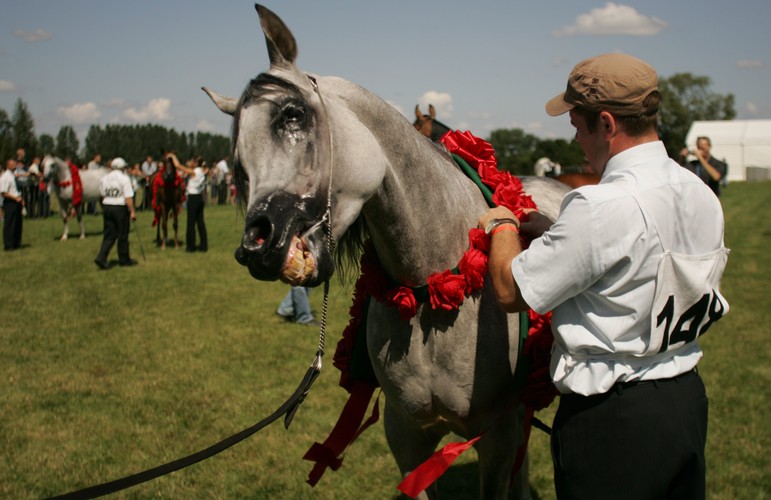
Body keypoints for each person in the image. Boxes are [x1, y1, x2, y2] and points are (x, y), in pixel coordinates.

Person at [479, 53, 729, 499]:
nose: (576, 140)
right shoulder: (700, 192)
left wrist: (501, 225)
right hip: (685, 400)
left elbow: (508, 288)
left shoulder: (601, 206)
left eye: (577, 125)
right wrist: (559, 233)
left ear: (608, 125)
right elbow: (644, 259)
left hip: (614, 418)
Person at [94, 157, 137, 269]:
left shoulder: (105, 178)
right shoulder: (124, 178)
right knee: (122, 234)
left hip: (107, 206)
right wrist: (132, 211)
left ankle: (101, 257)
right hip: (120, 207)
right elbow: (128, 197)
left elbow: (102, 194)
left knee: (109, 235)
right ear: (122, 167)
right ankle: (124, 260)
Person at [166, 153, 208, 252]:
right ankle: (203, 245)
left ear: (196, 163)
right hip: (199, 198)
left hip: (193, 199)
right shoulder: (202, 171)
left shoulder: (194, 172)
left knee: (191, 223)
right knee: (200, 222)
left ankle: (191, 246)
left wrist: (173, 156)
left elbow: (178, 166)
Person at [1, 158, 24, 250]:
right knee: (10, 223)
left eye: (15, 163)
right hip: (10, 202)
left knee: (17, 223)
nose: (15, 165)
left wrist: (20, 198)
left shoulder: (12, 176)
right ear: (8, 165)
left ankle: (16, 242)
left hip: (17, 201)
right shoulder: (5, 177)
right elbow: (3, 192)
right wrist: (15, 198)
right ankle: (8, 244)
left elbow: (15, 190)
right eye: (13, 164)